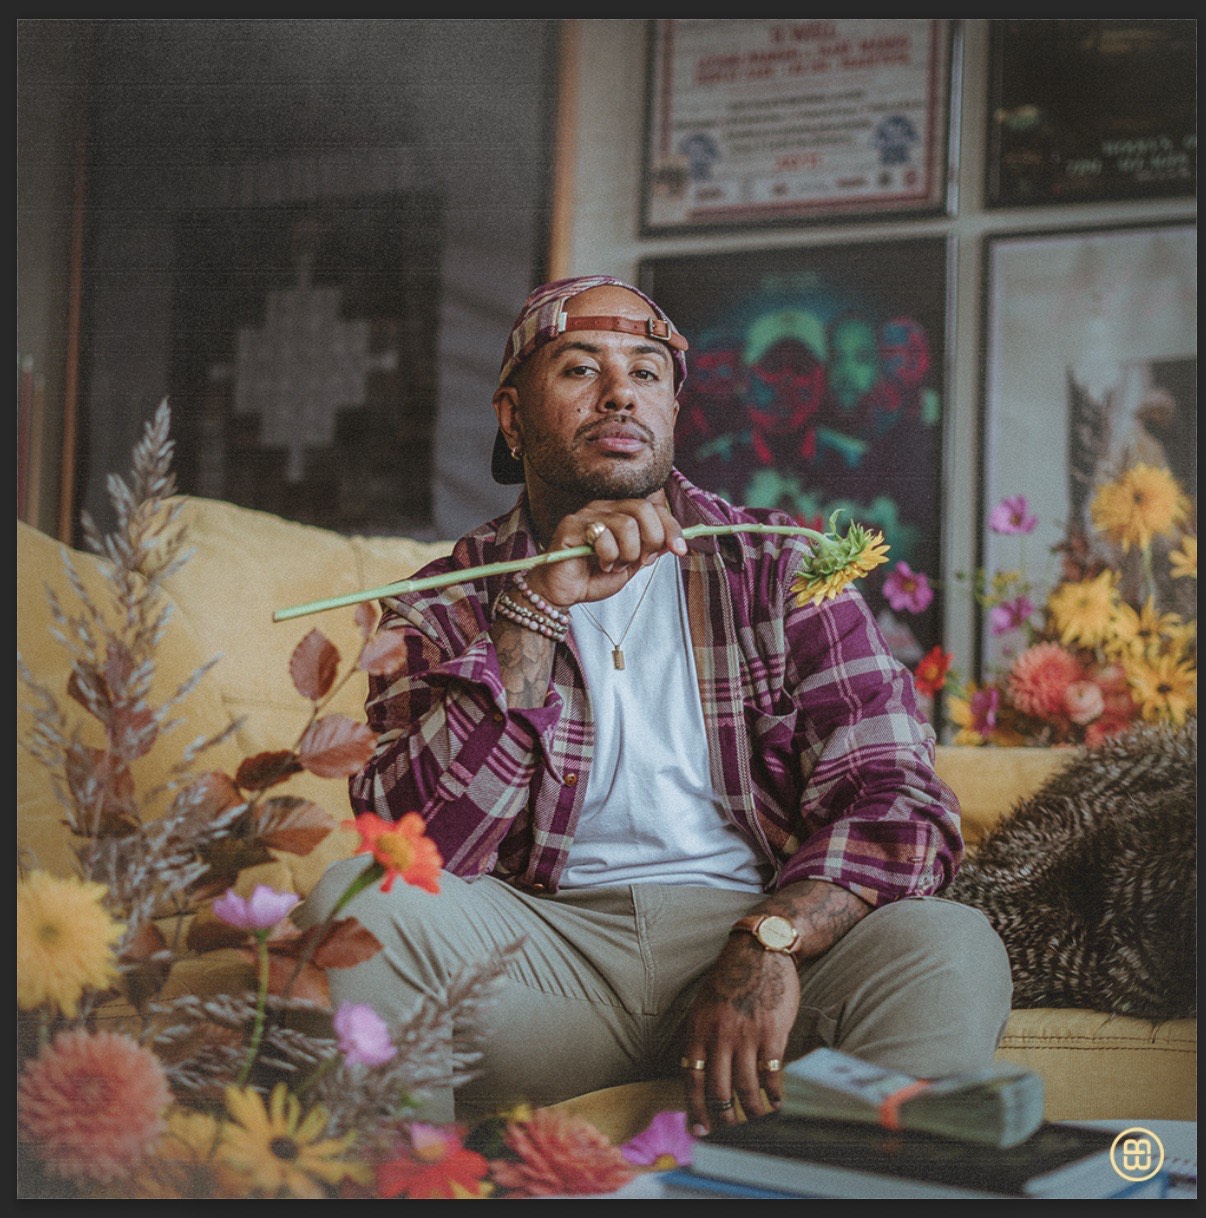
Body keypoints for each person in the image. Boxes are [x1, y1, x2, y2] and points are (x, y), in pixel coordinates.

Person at [298, 275, 1012, 1137]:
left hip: (756, 933)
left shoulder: (779, 566)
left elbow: (899, 796)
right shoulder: (438, 607)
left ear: (673, 408)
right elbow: (415, 846)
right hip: (541, 960)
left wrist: (770, 939)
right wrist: (533, 611)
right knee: (357, 904)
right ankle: (409, 1188)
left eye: (645, 372)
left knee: (949, 945)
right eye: (579, 369)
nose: (618, 394)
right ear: (512, 419)